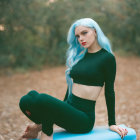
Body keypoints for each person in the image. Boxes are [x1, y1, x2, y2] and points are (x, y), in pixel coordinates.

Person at [19, 18, 128, 140]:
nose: (80, 38)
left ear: (95, 32)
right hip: (70, 108)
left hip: (83, 119)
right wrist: (60, 107)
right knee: (28, 99)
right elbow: (70, 86)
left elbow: (109, 91)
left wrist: (112, 123)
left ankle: (45, 134)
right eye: (77, 36)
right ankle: (39, 126)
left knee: (42, 99)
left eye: (84, 33)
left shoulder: (107, 58)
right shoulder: (79, 56)